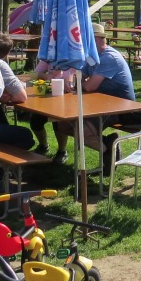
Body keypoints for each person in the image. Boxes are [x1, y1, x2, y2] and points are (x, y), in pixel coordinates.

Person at [44, 22, 134, 171]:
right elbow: (80, 79)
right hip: (100, 103)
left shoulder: (109, 57)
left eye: (85, 39)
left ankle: (108, 149)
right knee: (63, 124)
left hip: (119, 107)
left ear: (96, 39)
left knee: (81, 128)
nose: (82, 43)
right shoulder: (92, 56)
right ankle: (107, 144)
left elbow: (89, 86)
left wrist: (81, 83)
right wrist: (78, 82)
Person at [0, 32, 33, 150]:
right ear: (7, 53)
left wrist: (0, 95)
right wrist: (9, 95)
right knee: (26, 136)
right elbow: (21, 97)